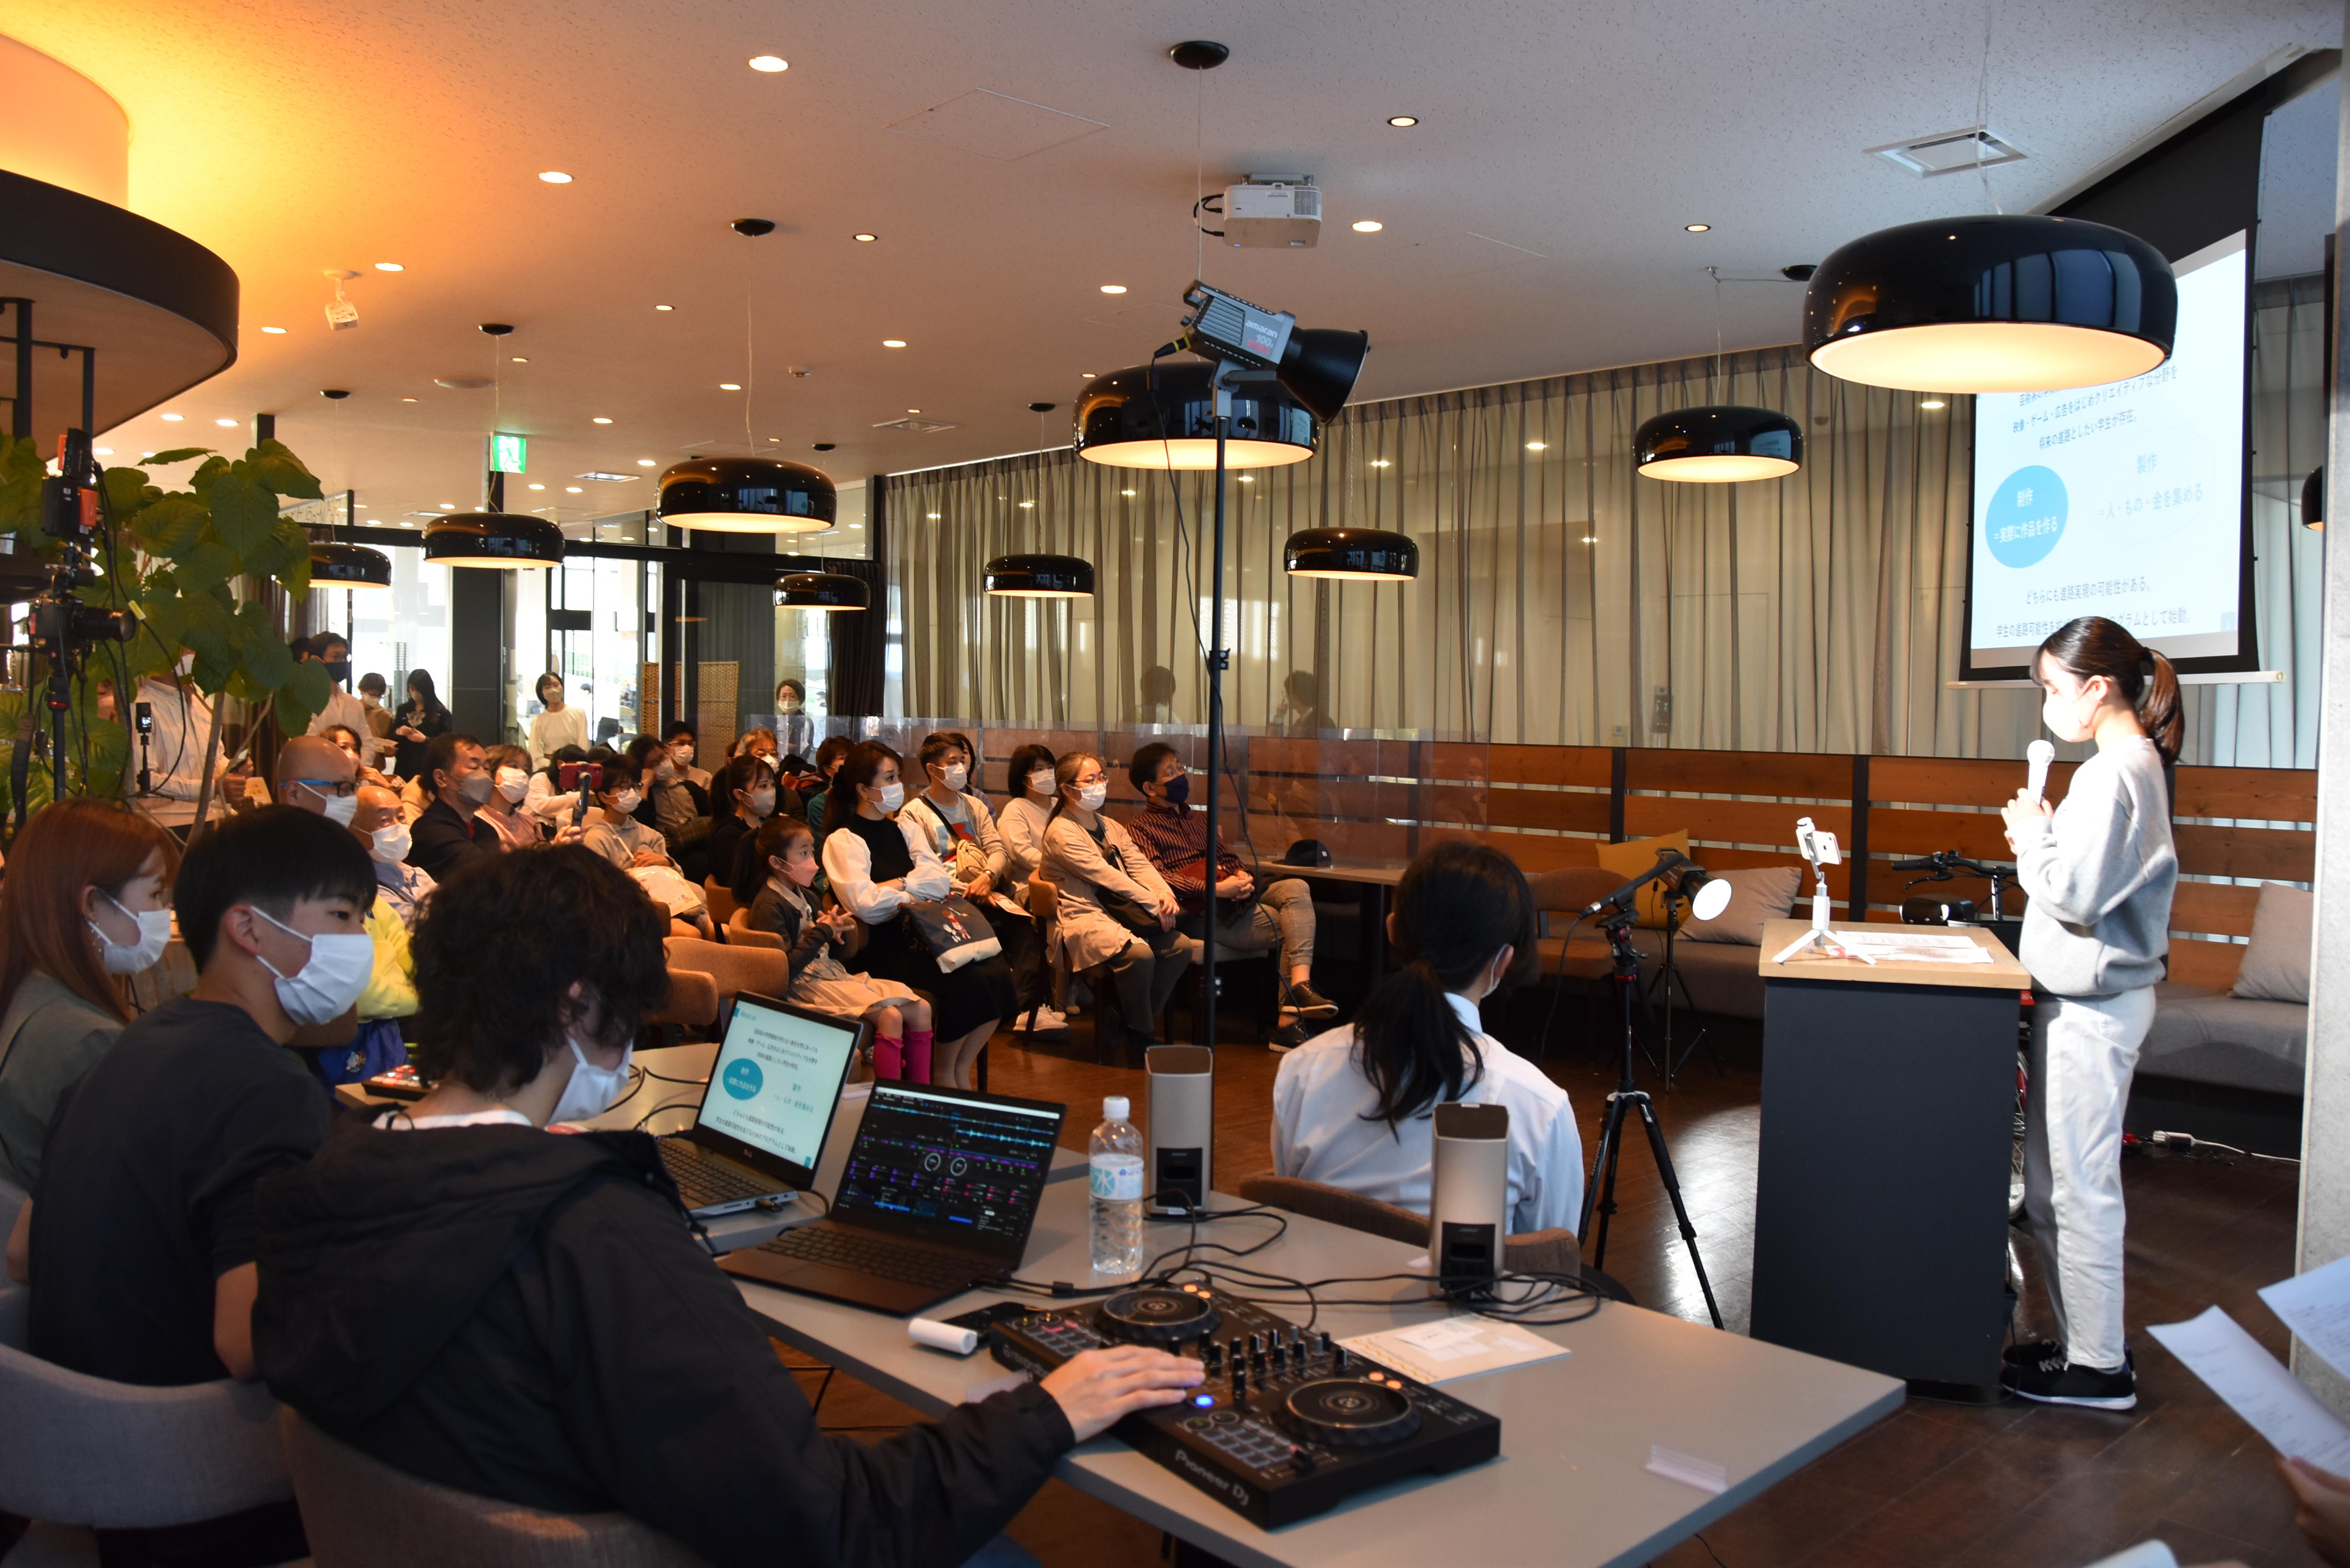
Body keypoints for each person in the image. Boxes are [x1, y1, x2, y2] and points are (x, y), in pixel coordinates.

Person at [248, 844, 1200, 1568]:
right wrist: (1045, 1410)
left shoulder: (328, 1176)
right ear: (580, 1005)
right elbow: (836, 1521)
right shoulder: (595, 1235)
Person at [5, 807, 375, 1568]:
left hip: (97, 1478)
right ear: (249, 928)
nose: (360, 946)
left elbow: (22, 1249)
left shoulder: (129, 1049)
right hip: (204, 1499)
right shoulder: (263, 1091)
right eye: (342, 916)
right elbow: (248, 1341)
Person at [1997, 615, 2182, 1412]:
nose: (2049, 705)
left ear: (2097, 686)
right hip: (2079, 1000)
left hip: (2097, 1004)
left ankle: (2100, 1367)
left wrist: (2031, 839)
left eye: (2052, 688)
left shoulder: (2119, 770)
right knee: (2049, 1189)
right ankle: (2082, 1350)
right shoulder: (2119, 766)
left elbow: (2076, 892)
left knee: (2079, 1190)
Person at [1272, 841, 1582, 1236]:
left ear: (1392, 930)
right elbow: (1545, 1266)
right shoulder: (1538, 1105)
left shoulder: (1303, 1069)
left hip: (1311, 1294)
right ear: (1504, 961)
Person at [0, 800, 179, 1192]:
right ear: (93, 904)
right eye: (154, 894)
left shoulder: (28, 991)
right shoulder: (86, 1040)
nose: (162, 911)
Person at [823, 742, 1014, 1090]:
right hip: (885, 947)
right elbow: (865, 904)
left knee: (998, 976)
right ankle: (943, 1074)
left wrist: (898, 887)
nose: (898, 785)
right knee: (969, 981)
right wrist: (912, 887)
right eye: (890, 777)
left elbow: (939, 880)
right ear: (863, 789)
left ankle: (958, 1069)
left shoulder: (904, 828)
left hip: (926, 933)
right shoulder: (844, 839)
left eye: (898, 776)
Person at [1126, 742, 1336, 1053]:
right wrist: (1214, 889)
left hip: (1235, 898)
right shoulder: (1140, 829)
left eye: (1180, 767)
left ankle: (1299, 987)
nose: (1181, 775)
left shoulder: (1198, 819)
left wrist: (1240, 876)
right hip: (1200, 912)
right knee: (1291, 926)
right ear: (1150, 787)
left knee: (1297, 887)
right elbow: (1157, 878)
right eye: (1170, 772)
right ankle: (1287, 1024)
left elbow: (1228, 855)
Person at [748, 815, 934, 1079]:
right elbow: (783, 970)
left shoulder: (807, 894)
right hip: (803, 986)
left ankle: (919, 1094)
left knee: (921, 1008)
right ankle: (888, 1099)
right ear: (777, 862)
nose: (812, 860)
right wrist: (822, 933)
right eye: (803, 853)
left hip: (830, 975)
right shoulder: (770, 905)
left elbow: (830, 952)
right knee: (890, 1017)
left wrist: (836, 933)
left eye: (812, 851)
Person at [280, 736, 417, 1087]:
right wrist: (417, 997)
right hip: (325, 1051)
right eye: (341, 788)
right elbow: (354, 988)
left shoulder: (344, 859)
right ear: (294, 793)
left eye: (354, 785)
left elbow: (394, 937)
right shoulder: (276, 865)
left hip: (386, 1029)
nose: (351, 799)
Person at [1040, 752, 1196, 1057]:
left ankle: (1128, 1019)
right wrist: (1153, 905)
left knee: (1181, 947)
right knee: (1139, 956)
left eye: (1101, 777)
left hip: (1122, 912)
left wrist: (1164, 895)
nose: (1100, 785)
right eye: (1090, 780)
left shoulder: (1110, 825)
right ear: (1068, 790)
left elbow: (1139, 865)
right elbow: (1107, 877)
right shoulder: (1061, 832)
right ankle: (1142, 1034)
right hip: (1083, 916)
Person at [407, 730, 494, 883]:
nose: (484, 776)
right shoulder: (430, 829)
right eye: (474, 767)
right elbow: (487, 873)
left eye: (486, 768)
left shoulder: (485, 829)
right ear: (441, 778)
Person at [707, 750, 778, 905]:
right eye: (763, 786)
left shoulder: (765, 826)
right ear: (740, 794)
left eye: (772, 785)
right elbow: (740, 888)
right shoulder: (728, 835)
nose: (771, 792)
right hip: (753, 909)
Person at [300, 633, 376, 762]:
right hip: (318, 775)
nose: (342, 662)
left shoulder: (354, 703)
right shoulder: (305, 703)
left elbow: (366, 744)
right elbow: (307, 746)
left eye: (345, 657)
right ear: (316, 661)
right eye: (336, 657)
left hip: (355, 777)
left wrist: (357, 770)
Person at [469, 742, 541, 849]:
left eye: (526, 770)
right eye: (514, 766)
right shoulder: (476, 823)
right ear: (489, 771)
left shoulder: (531, 823)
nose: (522, 774)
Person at [392, 669, 452, 782]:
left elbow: (447, 744)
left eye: (416, 690)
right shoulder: (403, 709)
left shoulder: (441, 713)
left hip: (428, 766)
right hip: (404, 765)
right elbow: (391, 737)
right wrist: (399, 732)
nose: (413, 693)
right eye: (410, 689)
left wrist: (425, 740)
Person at [801, 734, 853, 853]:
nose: (850, 762)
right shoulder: (818, 805)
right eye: (843, 758)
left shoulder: (865, 797)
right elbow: (825, 848)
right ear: (828, 769)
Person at [526, 672, 589, 770]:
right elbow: (535, 753)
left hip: (574, 766)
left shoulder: (578, 713)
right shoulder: (539, 721)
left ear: (562, 687)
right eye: (548, 687)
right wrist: (551, 767)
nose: (553, 690)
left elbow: (583, 745)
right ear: (542, 693)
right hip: (548, 768)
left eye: (556, 685)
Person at [664, 720, 711, 792]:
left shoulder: (705, 778)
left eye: (690, 744)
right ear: (667, 747)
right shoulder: (661, 777)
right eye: (681, 743)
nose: (687, 748)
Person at [355, 672, 395, 753]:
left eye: (379, 696)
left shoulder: (385, 716)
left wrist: (391, 751)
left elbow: (390, 745)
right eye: (373, 695)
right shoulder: (352, 709)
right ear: (362, 691)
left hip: (376, 764)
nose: (376, 699)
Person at [775, 677, 813, 757]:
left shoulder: (806, 722)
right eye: (784, 696)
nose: (788, 700)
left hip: (798, 764)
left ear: (800, 699)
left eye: (792, 696)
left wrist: (791, 747)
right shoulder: (776, 721)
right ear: (778, 699)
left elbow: (805, 749)